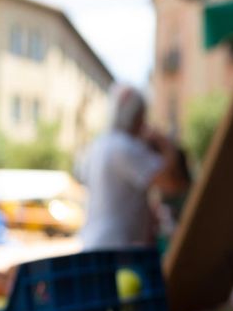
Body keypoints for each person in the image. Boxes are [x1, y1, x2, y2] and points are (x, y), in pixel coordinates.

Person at [76, 85, 187, 250]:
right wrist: (165, 144)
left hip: (94, 243)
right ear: (138, 117)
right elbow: (173, 185)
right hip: (116, 248)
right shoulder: (126, 147)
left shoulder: (98, 145)